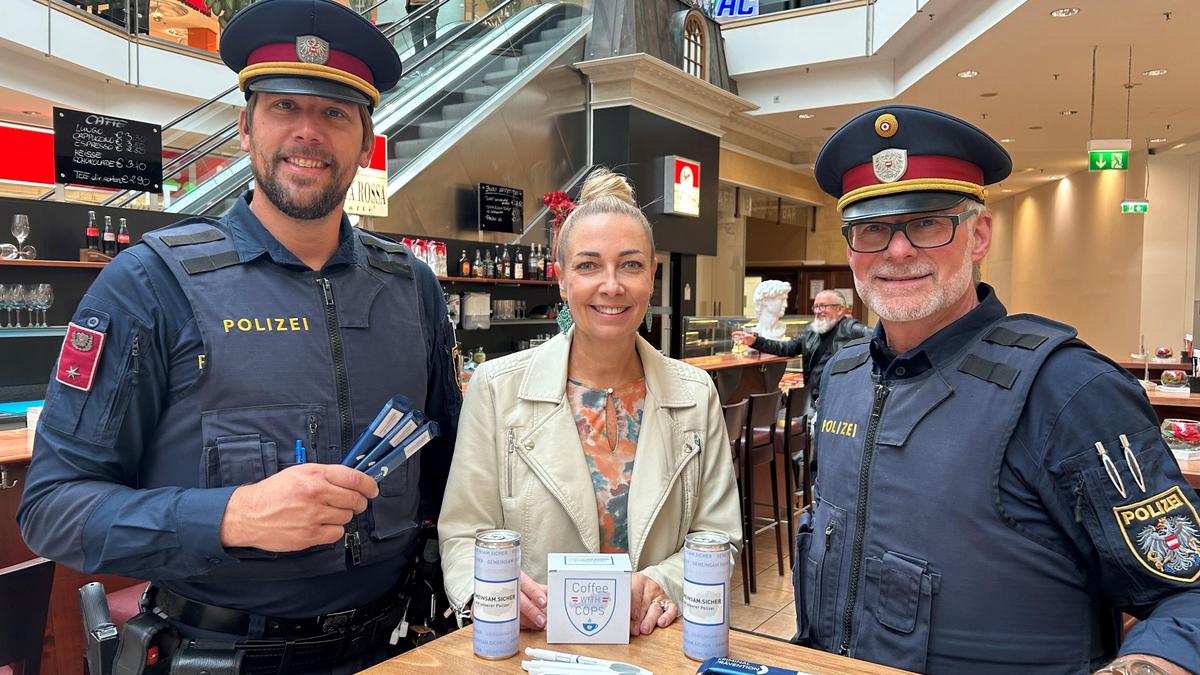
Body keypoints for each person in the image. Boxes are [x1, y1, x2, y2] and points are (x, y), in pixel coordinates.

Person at [17, 0, 460, 671]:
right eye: (285, 107)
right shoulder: (149, 285)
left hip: (398, 649)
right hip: (221, 653)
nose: (309, 131)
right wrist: (228, 516)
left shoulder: (413, 289)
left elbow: (453, 476)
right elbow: (52, 507)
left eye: (335, 113)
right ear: (244, 128)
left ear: (366, 144)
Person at [789, 104, 1200, 675]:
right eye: (873, 229)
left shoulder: (1069, 390)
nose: (898, 251)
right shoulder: (842, 376)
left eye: (928, 222)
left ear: (978, 234)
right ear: (850, 247)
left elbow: (1186, 592)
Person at [438, 168, 742, 636]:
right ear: (561, 280)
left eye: (631, 265)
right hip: (532, 649)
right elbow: (464, 531)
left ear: (652, 276)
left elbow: (719, 538)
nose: (611, 285)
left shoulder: (695, 394)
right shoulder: (497, 390)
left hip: (653, 645)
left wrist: (663, 583)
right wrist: (489, 592)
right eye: (588, 265)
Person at [735, 288, 870, 407]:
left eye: (823, 306)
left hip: (840, 400)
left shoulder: (852, 330)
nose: (818, 311)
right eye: (815, 307)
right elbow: (787, 348)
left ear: (840, 309)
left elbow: (880, 340)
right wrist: (755, 341)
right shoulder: (811, 331)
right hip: (813, 398)